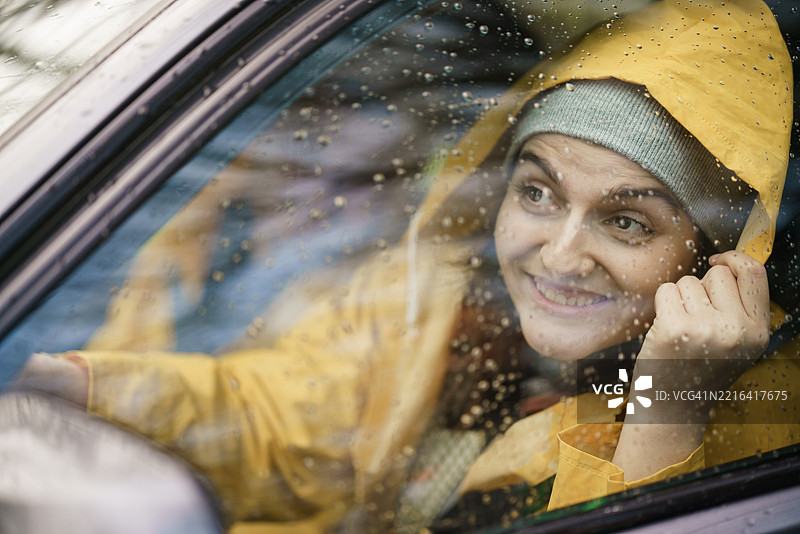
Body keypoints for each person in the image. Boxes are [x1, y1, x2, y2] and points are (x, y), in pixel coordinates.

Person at [9, 0, 799, 532]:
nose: (559, 255)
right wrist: (82, 388)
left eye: (627, 221)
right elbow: (290, 421)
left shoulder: (765, 417)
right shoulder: (439, 298)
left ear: (718, 259)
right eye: (536, 192)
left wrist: (668, 411)